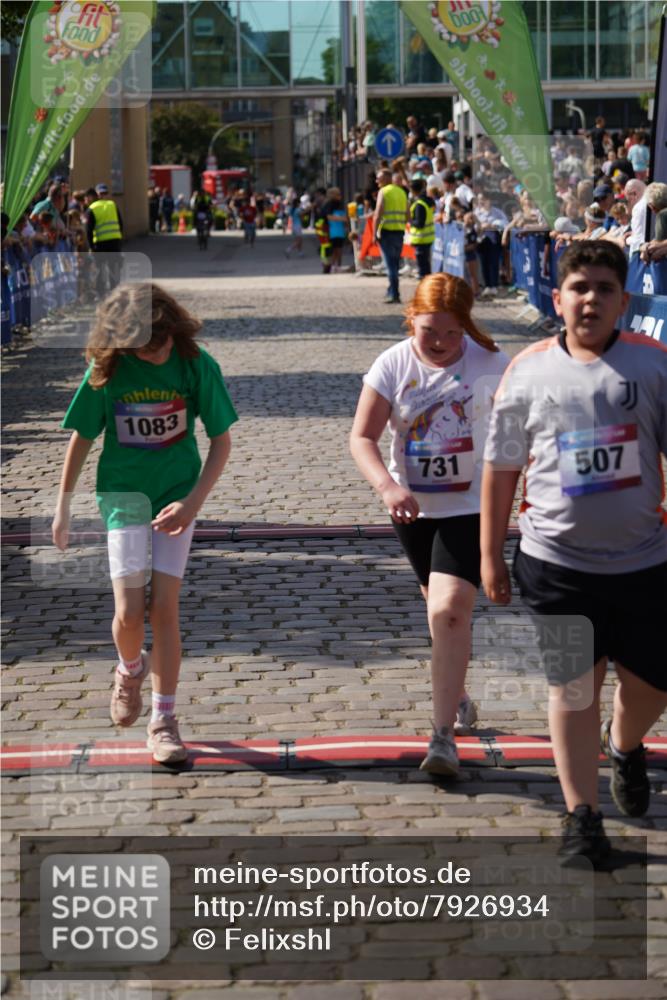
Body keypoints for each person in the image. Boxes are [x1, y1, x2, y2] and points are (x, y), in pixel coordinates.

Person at [480, 241, 667, 866]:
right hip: (556, 564)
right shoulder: (527, 370)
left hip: (646, 563)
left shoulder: (652, 364)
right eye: (579, 288)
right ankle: (582, 816)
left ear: (624, 300)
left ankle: (625, 744)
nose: (591, 299)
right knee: (573, 688)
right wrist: (490, 556)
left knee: (652, 686)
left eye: (604, 289)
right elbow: (501, 468)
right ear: (556, 298)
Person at [52, 283, 238, 764]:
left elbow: (221, 441)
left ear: (174, 329)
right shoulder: (108, 369)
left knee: (164, 609)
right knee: (130, 612)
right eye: (143, 349)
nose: (155, 355)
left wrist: (192, 504)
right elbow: (82, 436)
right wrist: (63, 504)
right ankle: (129, 669)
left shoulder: (196, 364)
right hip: (124, 496)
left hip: (176, 494)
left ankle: (164, 720)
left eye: (161, 344)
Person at [350, 273, 510, 776]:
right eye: (429, 332)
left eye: (451, 333)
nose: (440, 343)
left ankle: (442, 737)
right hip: (412, 509)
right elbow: (362, 437)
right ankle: (456, 691)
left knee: (450, 610)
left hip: (471, 505)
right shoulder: (393, 364)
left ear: (466, 326)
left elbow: (522, 427)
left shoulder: (492, 364)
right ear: (411, 321)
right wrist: (387, 487)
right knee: (436, 606)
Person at [373, 168, 409, 304]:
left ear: (387, 179)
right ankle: (391, 290)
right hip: (399, 232)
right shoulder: (402, 192)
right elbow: (408, 215)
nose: (376, 181)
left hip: (386, 233)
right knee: (395, 263)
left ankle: (395, 294)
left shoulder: (383, 191)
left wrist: (374, 233)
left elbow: (378, 213)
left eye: (379, 178)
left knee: (390, 265)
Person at [86, 183, 123, 296]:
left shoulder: (92, 208)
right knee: (113, 267)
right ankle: (115, 293)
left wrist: (91, 247)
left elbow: (89, 230)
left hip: (100, 243)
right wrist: (119, 238)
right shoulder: (113, 205)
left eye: (104, 193)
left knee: (100, 268)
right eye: (103, 193)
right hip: (114, 242)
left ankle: (101, 293)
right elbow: (121, 223)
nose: (103, 195)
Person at [409, 178, 435, 279]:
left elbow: (420, 223)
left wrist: (410, 221)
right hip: (428, 237)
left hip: (421, 238)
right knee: (426, 264)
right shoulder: (428, 201)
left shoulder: (419, 204)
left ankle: (424, 281)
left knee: (423, 266)